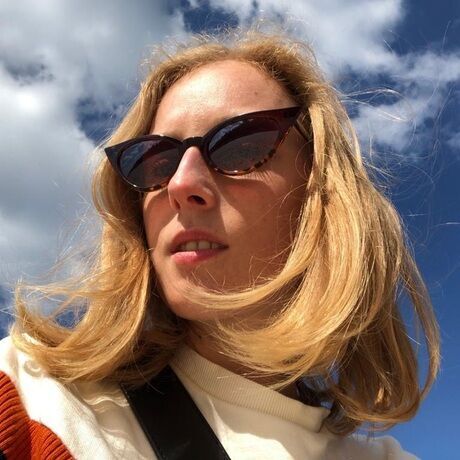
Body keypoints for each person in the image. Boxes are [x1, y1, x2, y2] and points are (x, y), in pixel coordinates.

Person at [0, 28, 440, 459]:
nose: (181, 184)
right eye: (155, 160)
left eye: (241, 144)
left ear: (323, 191)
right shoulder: (35, 395)